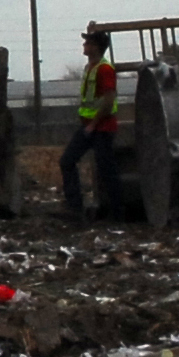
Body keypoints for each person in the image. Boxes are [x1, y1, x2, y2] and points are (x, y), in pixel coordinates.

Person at [63, 26, 124, 223]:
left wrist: (93, 124)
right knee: (67, 161)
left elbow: (108, 100)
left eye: (88, 42)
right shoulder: (90, 68)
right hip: (89, 126)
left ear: (96, 47)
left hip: (102, 128)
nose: (84, 45)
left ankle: (117, 214)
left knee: (107, 171)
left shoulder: (104, 69)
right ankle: (75, 208)